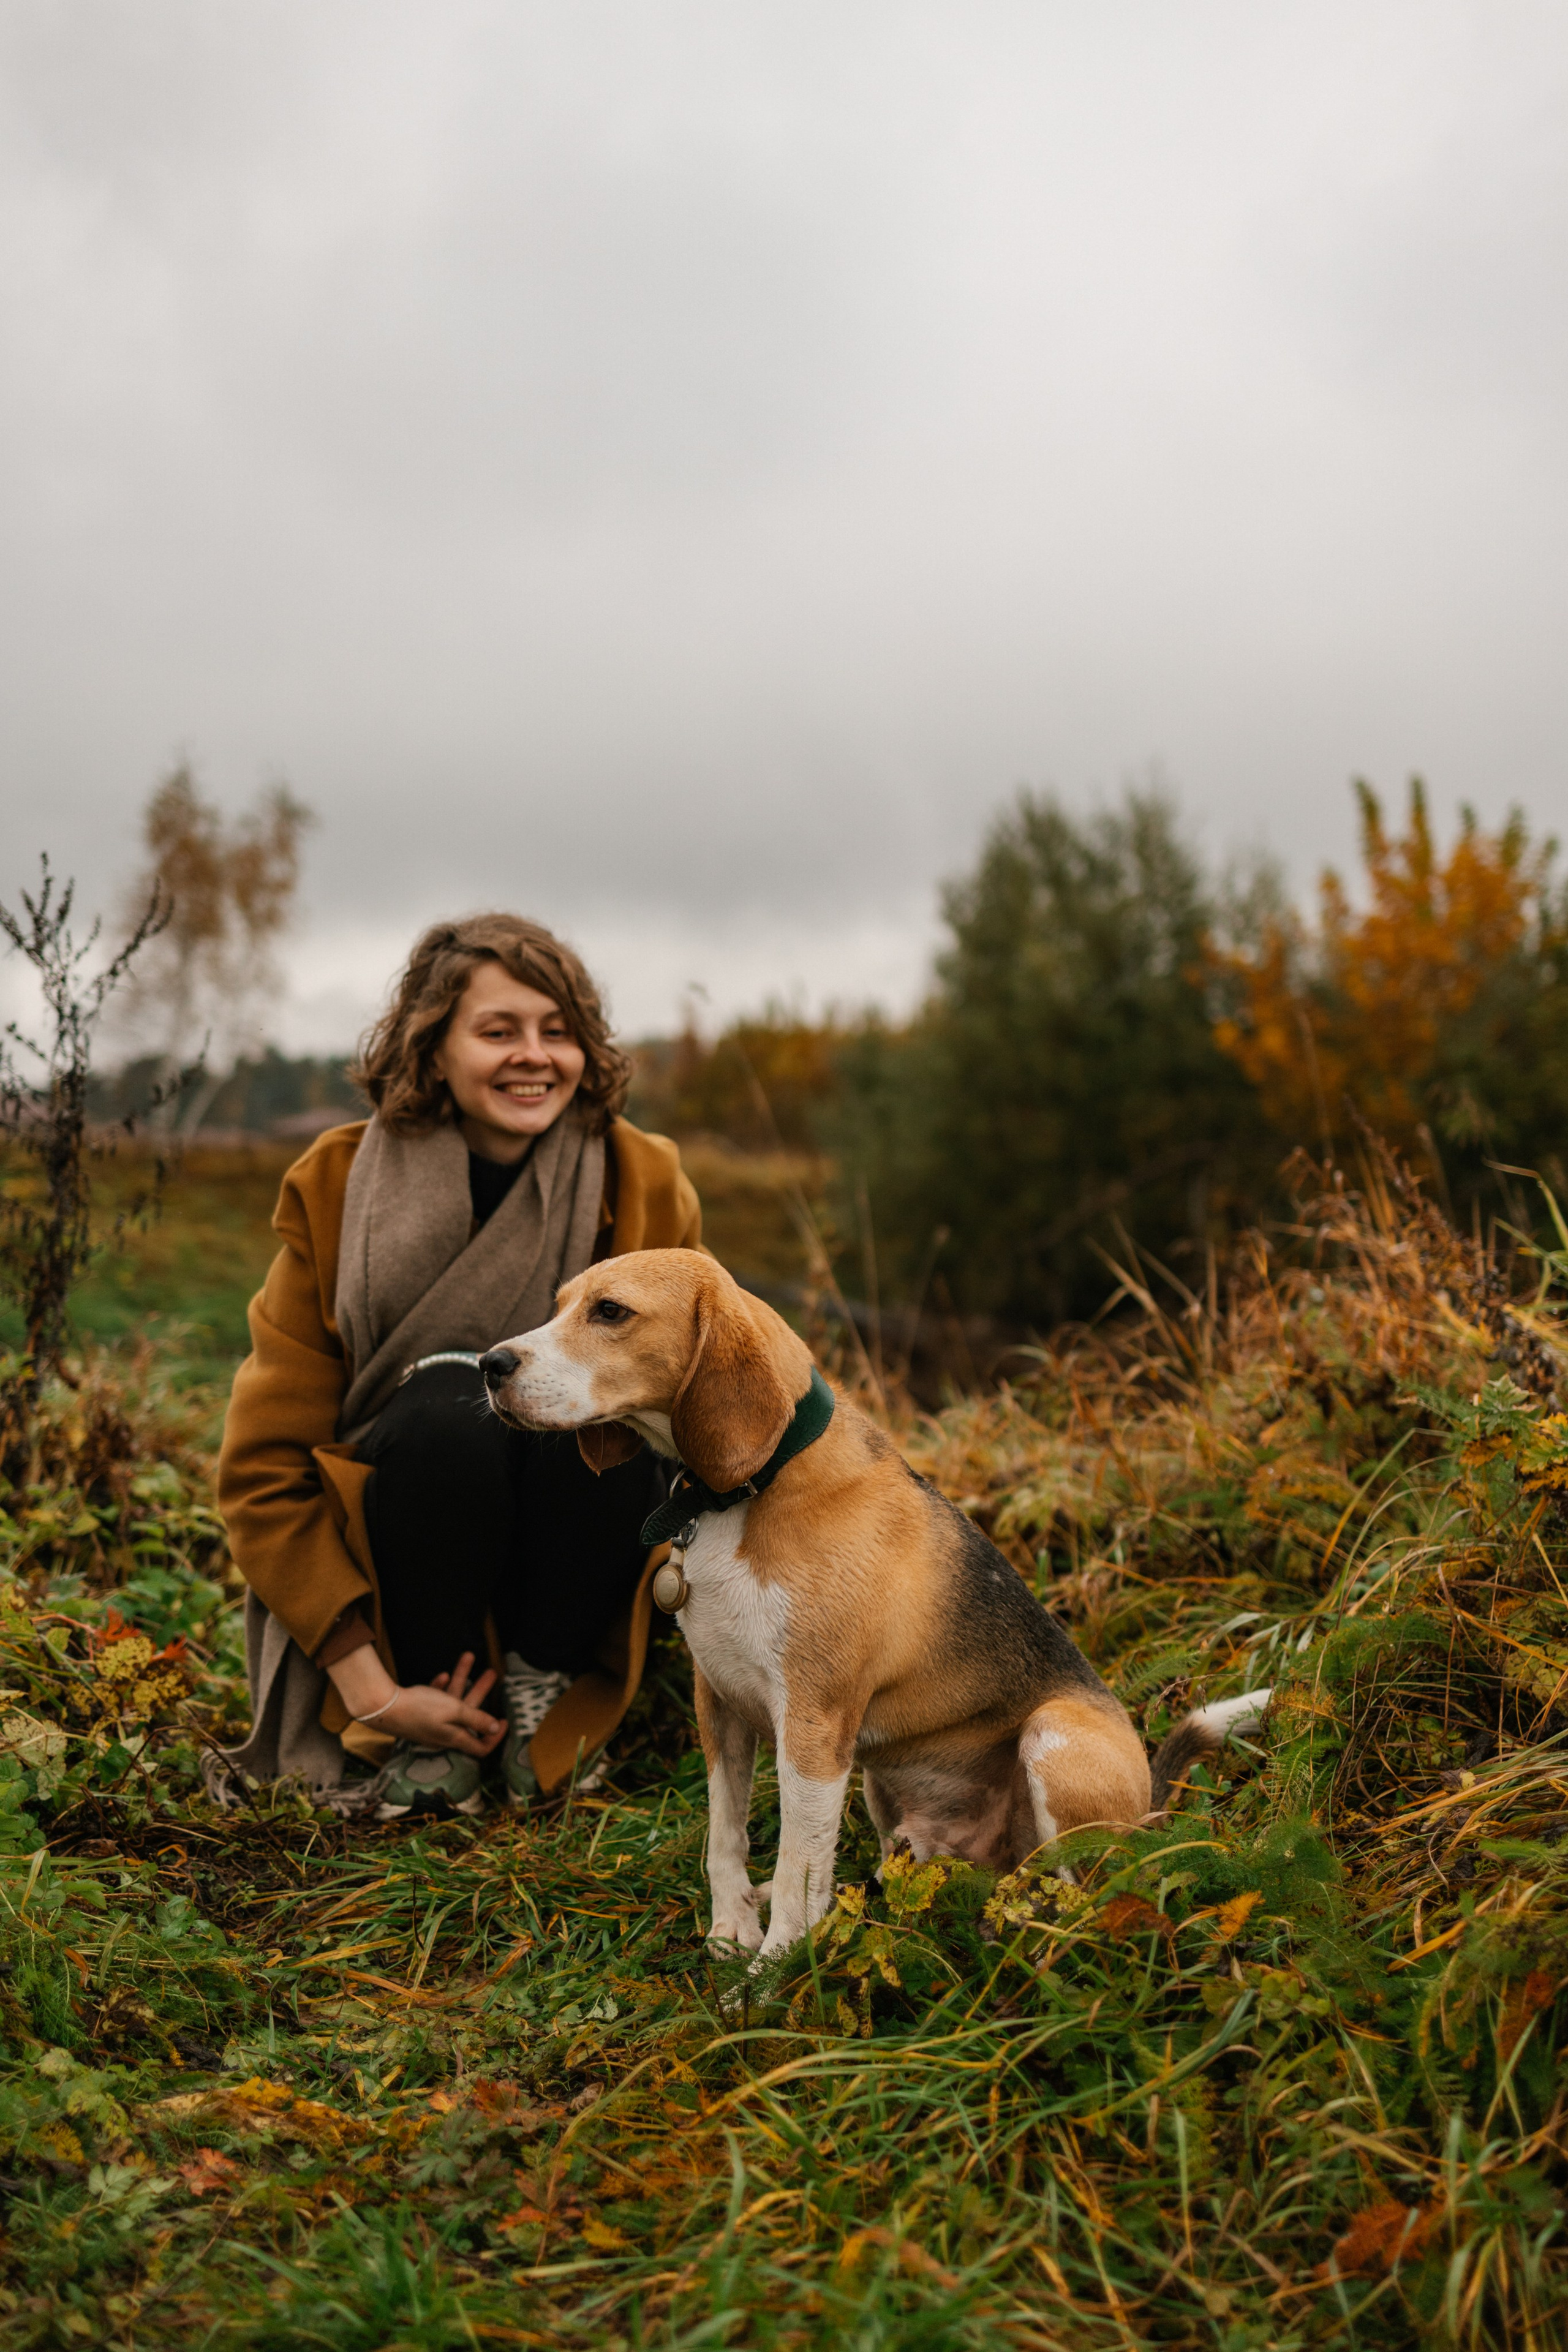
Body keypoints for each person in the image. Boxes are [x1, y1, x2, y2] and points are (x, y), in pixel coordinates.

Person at [214, 913, 701, 1818]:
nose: (535, 1056)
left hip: (574, 1558)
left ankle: (545, 1691)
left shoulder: (641, 1177)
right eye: (498, 1031)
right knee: (448, 1403)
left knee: (596, 1399)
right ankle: (427, 1715)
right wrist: (370, 1686)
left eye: (559, 1032)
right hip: (406, 1558)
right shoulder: (334, 1185)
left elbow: (703, 1398)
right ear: (432, 1049)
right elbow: (263, 1470)